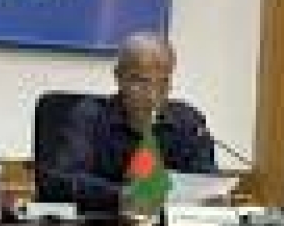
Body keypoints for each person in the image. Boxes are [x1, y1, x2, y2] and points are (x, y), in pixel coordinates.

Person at [51, 32, 216, 213]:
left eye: (163, 83)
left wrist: (214, 194)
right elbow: (63, 180)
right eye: (141, 81)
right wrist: (119, 196)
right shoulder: (90, 117)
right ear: (119, 77)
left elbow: (205, 178)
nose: (152, 95)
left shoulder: (188, 121)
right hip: (103, 225)